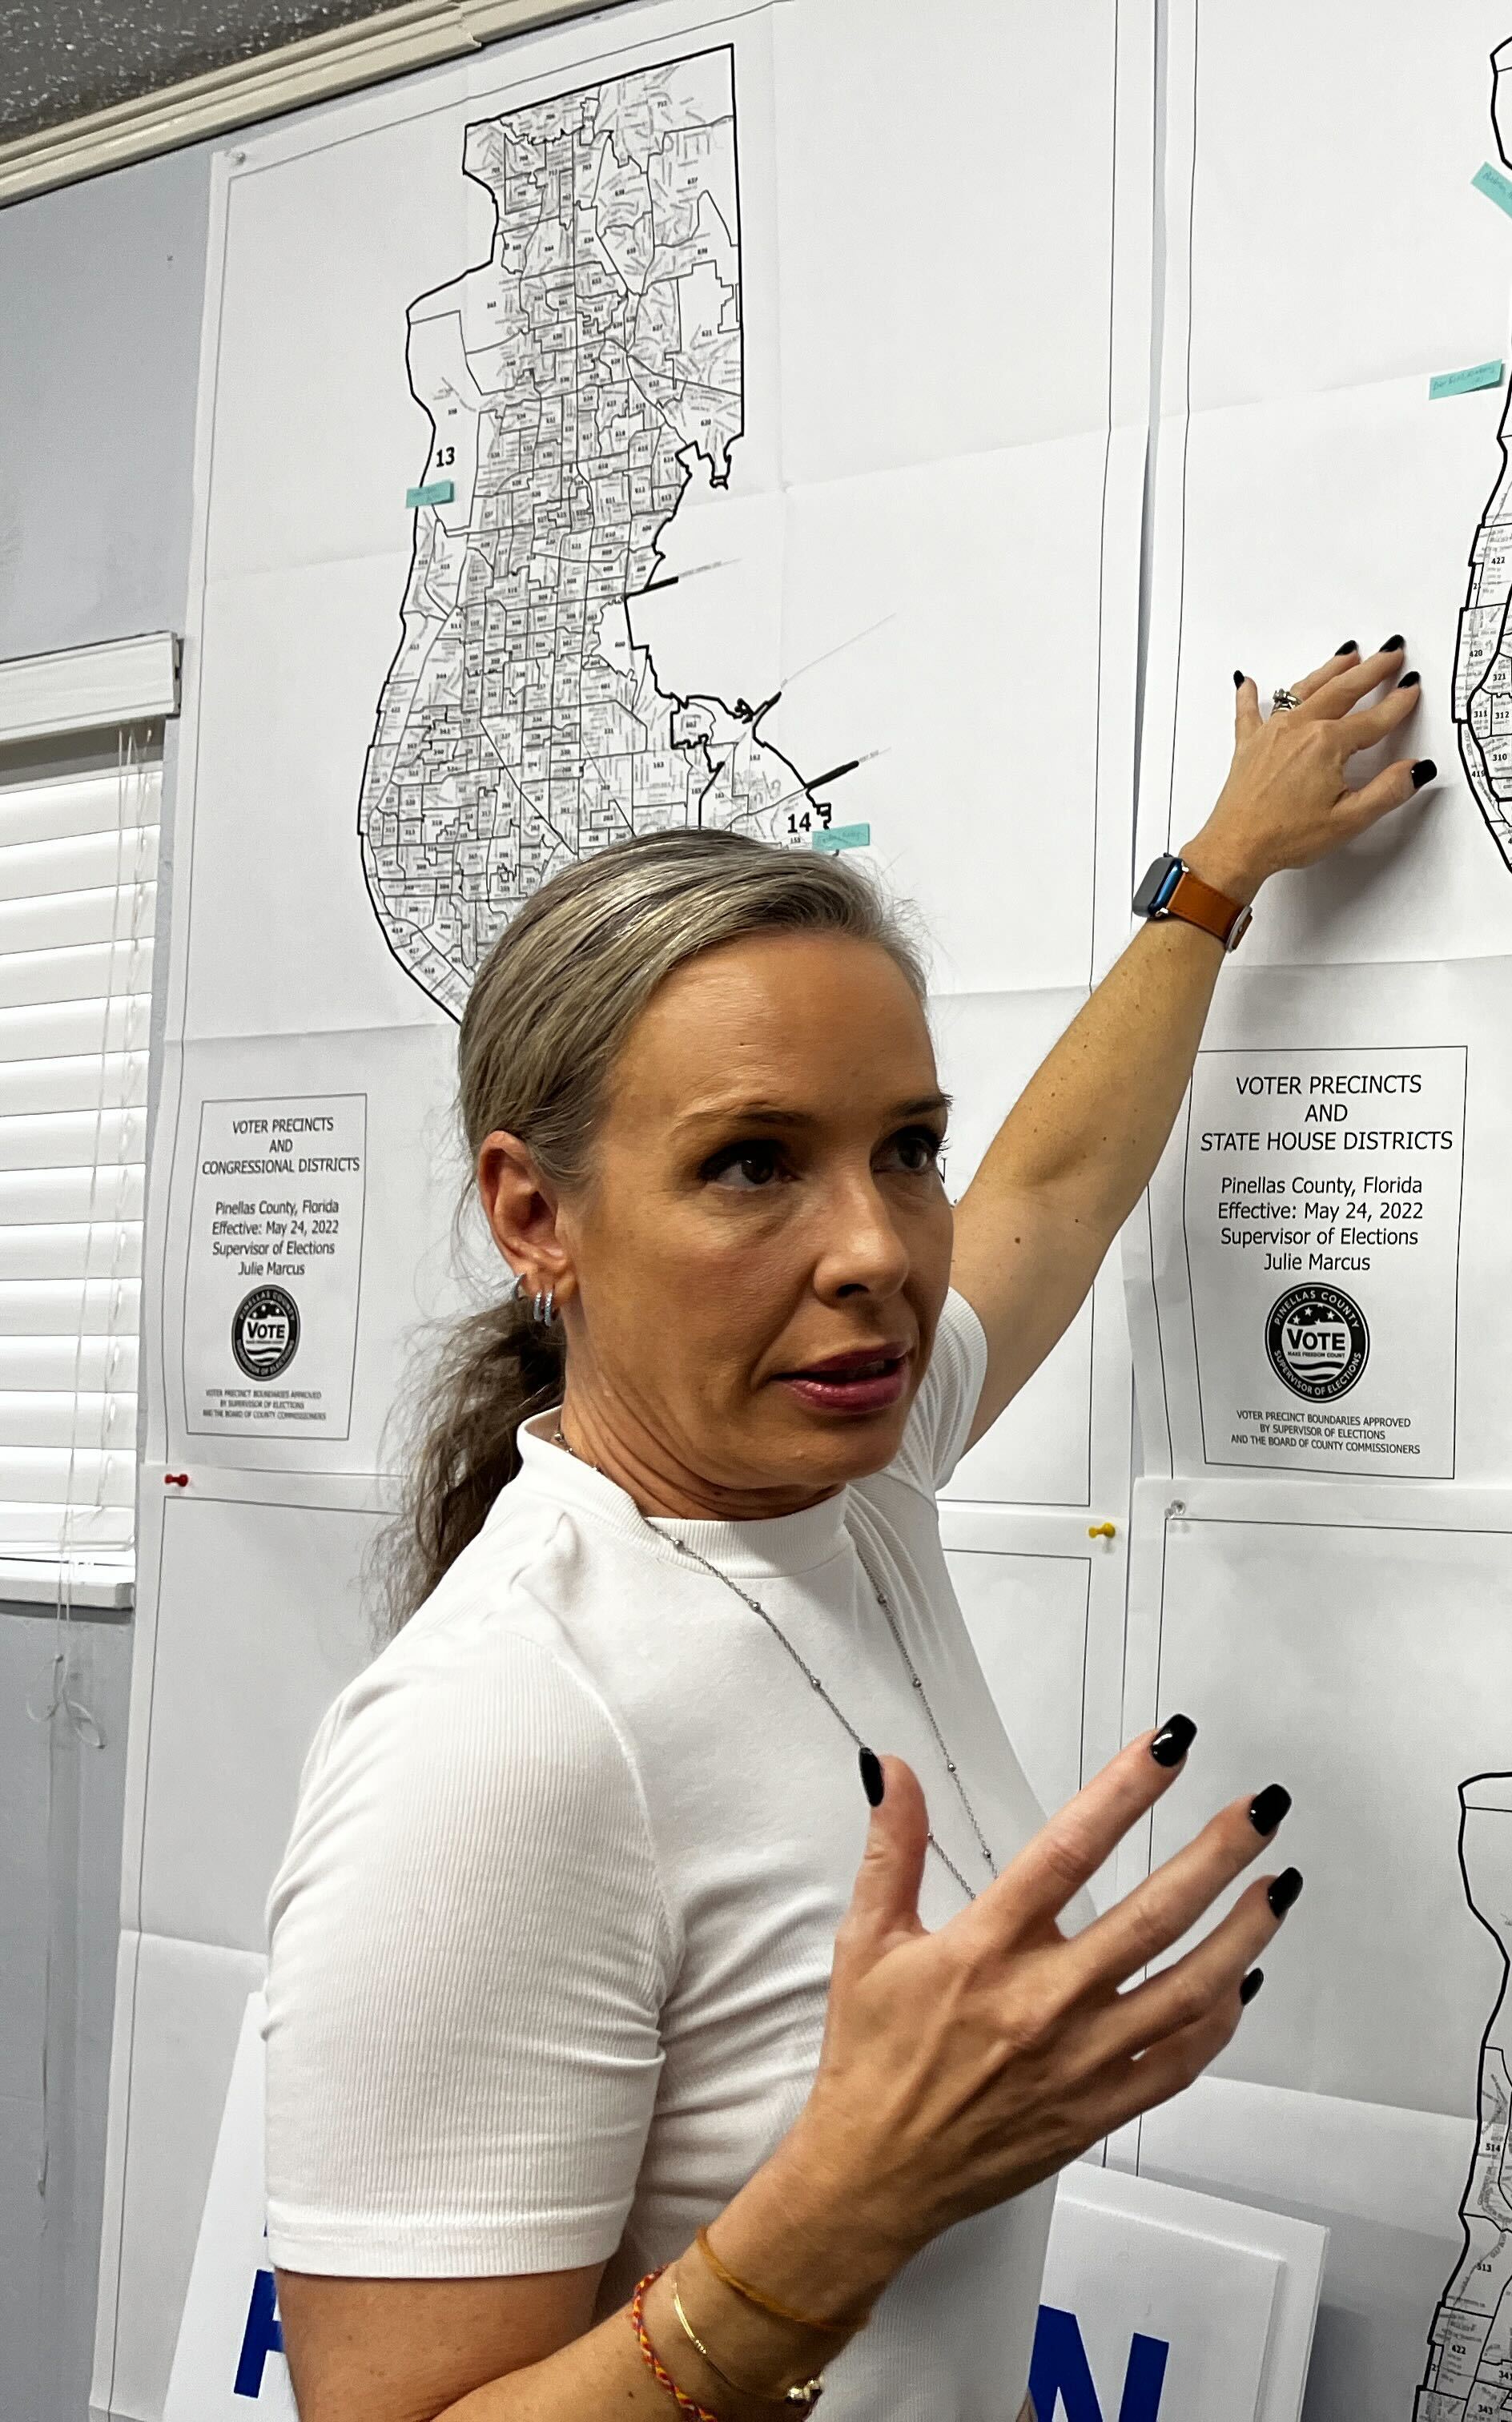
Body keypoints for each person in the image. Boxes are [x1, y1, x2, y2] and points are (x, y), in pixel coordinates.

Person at [263, 646, 1428, 2421]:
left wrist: (1213, 883)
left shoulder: (846, 1481)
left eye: (904, 1149)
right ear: (534, 1214)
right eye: (751, 1164)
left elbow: (1046, 1193)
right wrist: (839, 2214)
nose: (878, 1247)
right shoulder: (498, 1734)